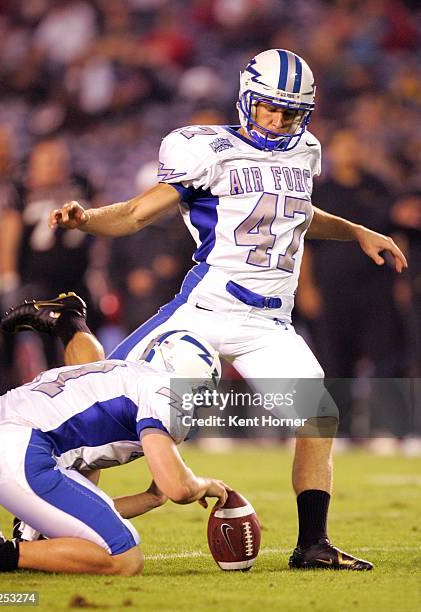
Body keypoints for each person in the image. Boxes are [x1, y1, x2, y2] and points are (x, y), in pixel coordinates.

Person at [46, 49, 408, 570]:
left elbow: (296, 213)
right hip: (206, 308)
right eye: (269, 109)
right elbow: (134, 214)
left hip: (268, 323)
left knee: (319, 416)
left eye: (291, 112)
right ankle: (43, 519)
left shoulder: (305, 149)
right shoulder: (206, 149)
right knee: (107, 405)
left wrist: (354, 231)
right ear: (245, 100)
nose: (279, 121)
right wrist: (86, 219)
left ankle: (312, 545)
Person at [0, 295, 228, 575]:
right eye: (203, 391)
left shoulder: (122, 374)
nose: (200, 403)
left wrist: (152, 498)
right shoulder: (163, 388)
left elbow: (92, 508)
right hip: (19, 449)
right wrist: (205, 484)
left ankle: (69, 321)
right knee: (124, 558)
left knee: (72, 535)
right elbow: (179, 488)